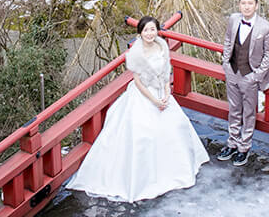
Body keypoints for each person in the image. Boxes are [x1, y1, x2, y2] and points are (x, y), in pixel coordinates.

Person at [66, 15, 210, 202]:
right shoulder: (136, 54)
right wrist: (155, 101)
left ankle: (172, 170)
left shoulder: (161, 46)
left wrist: (166, 94)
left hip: (161, 92)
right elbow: (139, 83)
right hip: (144, 95)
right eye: (145, 30)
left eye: (152, 29)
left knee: (175, 127)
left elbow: (166, 73)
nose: (149, 33)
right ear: (140, 33)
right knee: (144, 134)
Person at [217, 0, 269, 166]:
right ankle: (232, 143)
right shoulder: (234, 19)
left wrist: (257, 76)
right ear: (239, 4)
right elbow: (228, 40)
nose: (247, 6)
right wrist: (226, 64)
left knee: (249, 113)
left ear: (256, 5)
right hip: (232, 71)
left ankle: (244, 147)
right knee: (234, 109)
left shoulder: (266, 27)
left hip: (250, 75)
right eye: (244, 3)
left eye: (250, 3)